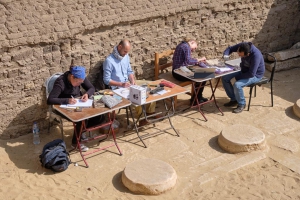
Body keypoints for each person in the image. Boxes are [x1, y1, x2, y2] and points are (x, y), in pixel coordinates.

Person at [47, 66, 104, 151]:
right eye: (77, 83)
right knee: (81, 119)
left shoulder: (80, 77)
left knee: (100, 117)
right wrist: (67, 100)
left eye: (81, 83)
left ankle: (81, 132)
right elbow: (50, 100)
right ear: (72, 77)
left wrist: (87, 94)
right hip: (62, 106)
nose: (79, 85)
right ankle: (75, 143)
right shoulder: (61, 82)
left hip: (78, 103)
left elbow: (91, 88)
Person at [103, 39, 156, 126]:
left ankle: (150, 111)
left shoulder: (126, 57)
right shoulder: (109, 61)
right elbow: (106, 80)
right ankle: (141, 119)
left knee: (149, 86)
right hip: (118, 87)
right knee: (136, 96)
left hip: (128, 83)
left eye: (127, 52)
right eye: (125, 51)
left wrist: (132, 80)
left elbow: (129, 71)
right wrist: (121, 84)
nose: (126, 53)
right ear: (119, 47)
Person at [222, 42, 265, 113]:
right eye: (238, 53)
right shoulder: (242, 46)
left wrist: (237, 78)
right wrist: (226, 55)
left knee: (237, 85)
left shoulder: (256, 55)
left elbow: (251, 74)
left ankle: (242, 104)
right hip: (244, 70)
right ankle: (234, 99)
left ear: (247, 54)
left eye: (241, 55)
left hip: (255, 75)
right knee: (225, 78)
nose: (239, 55)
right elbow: (230, 49)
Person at [172, 37, 208, 104]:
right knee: (203, 76)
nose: (194, 50)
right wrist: (199, 59)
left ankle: (198, 97)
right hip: (178, 73)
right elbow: (188, 61)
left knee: (202, 76)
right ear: (192, 42)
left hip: (179, 71)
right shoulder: (186, 47)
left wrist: (196, 61)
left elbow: (186, 60)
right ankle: (195, 99)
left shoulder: (183, 45)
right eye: (195, 48)